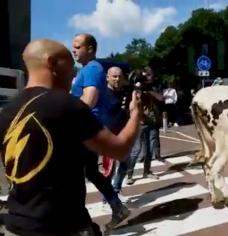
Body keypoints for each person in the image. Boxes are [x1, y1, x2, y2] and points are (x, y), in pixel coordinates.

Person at [0, 39, 141, 235]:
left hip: (16, 225)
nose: (73, 73)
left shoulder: (7, 111)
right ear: (52, 63)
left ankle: (116, 206)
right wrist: (136, 114)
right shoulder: (65, 104)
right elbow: (120, 149)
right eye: (69, 65)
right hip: (63, 226)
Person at [71, 33, 129, 227]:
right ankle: (117, 207)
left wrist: (61, 110)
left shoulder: (92, 69)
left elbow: (89, 100)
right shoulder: (87, 69)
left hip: (85, 129)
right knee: (90, 172)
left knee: (74, 174)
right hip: (88, 128)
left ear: (91, 49)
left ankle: (82, 224)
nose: (74, 50)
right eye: (74, 46)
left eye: (78, 46)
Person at [127, 68, 164, 185]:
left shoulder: (152, 88)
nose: (148, 77)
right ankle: (129, 174)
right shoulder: (136, 90)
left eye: (149, 75)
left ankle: (147, 171)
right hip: (140, 123)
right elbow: (134, 105)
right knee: (136, 150)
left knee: (148, 150)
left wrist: (148, 91)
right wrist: (138, 90)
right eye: (145, 75)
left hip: (151, 122)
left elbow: (161, 98)